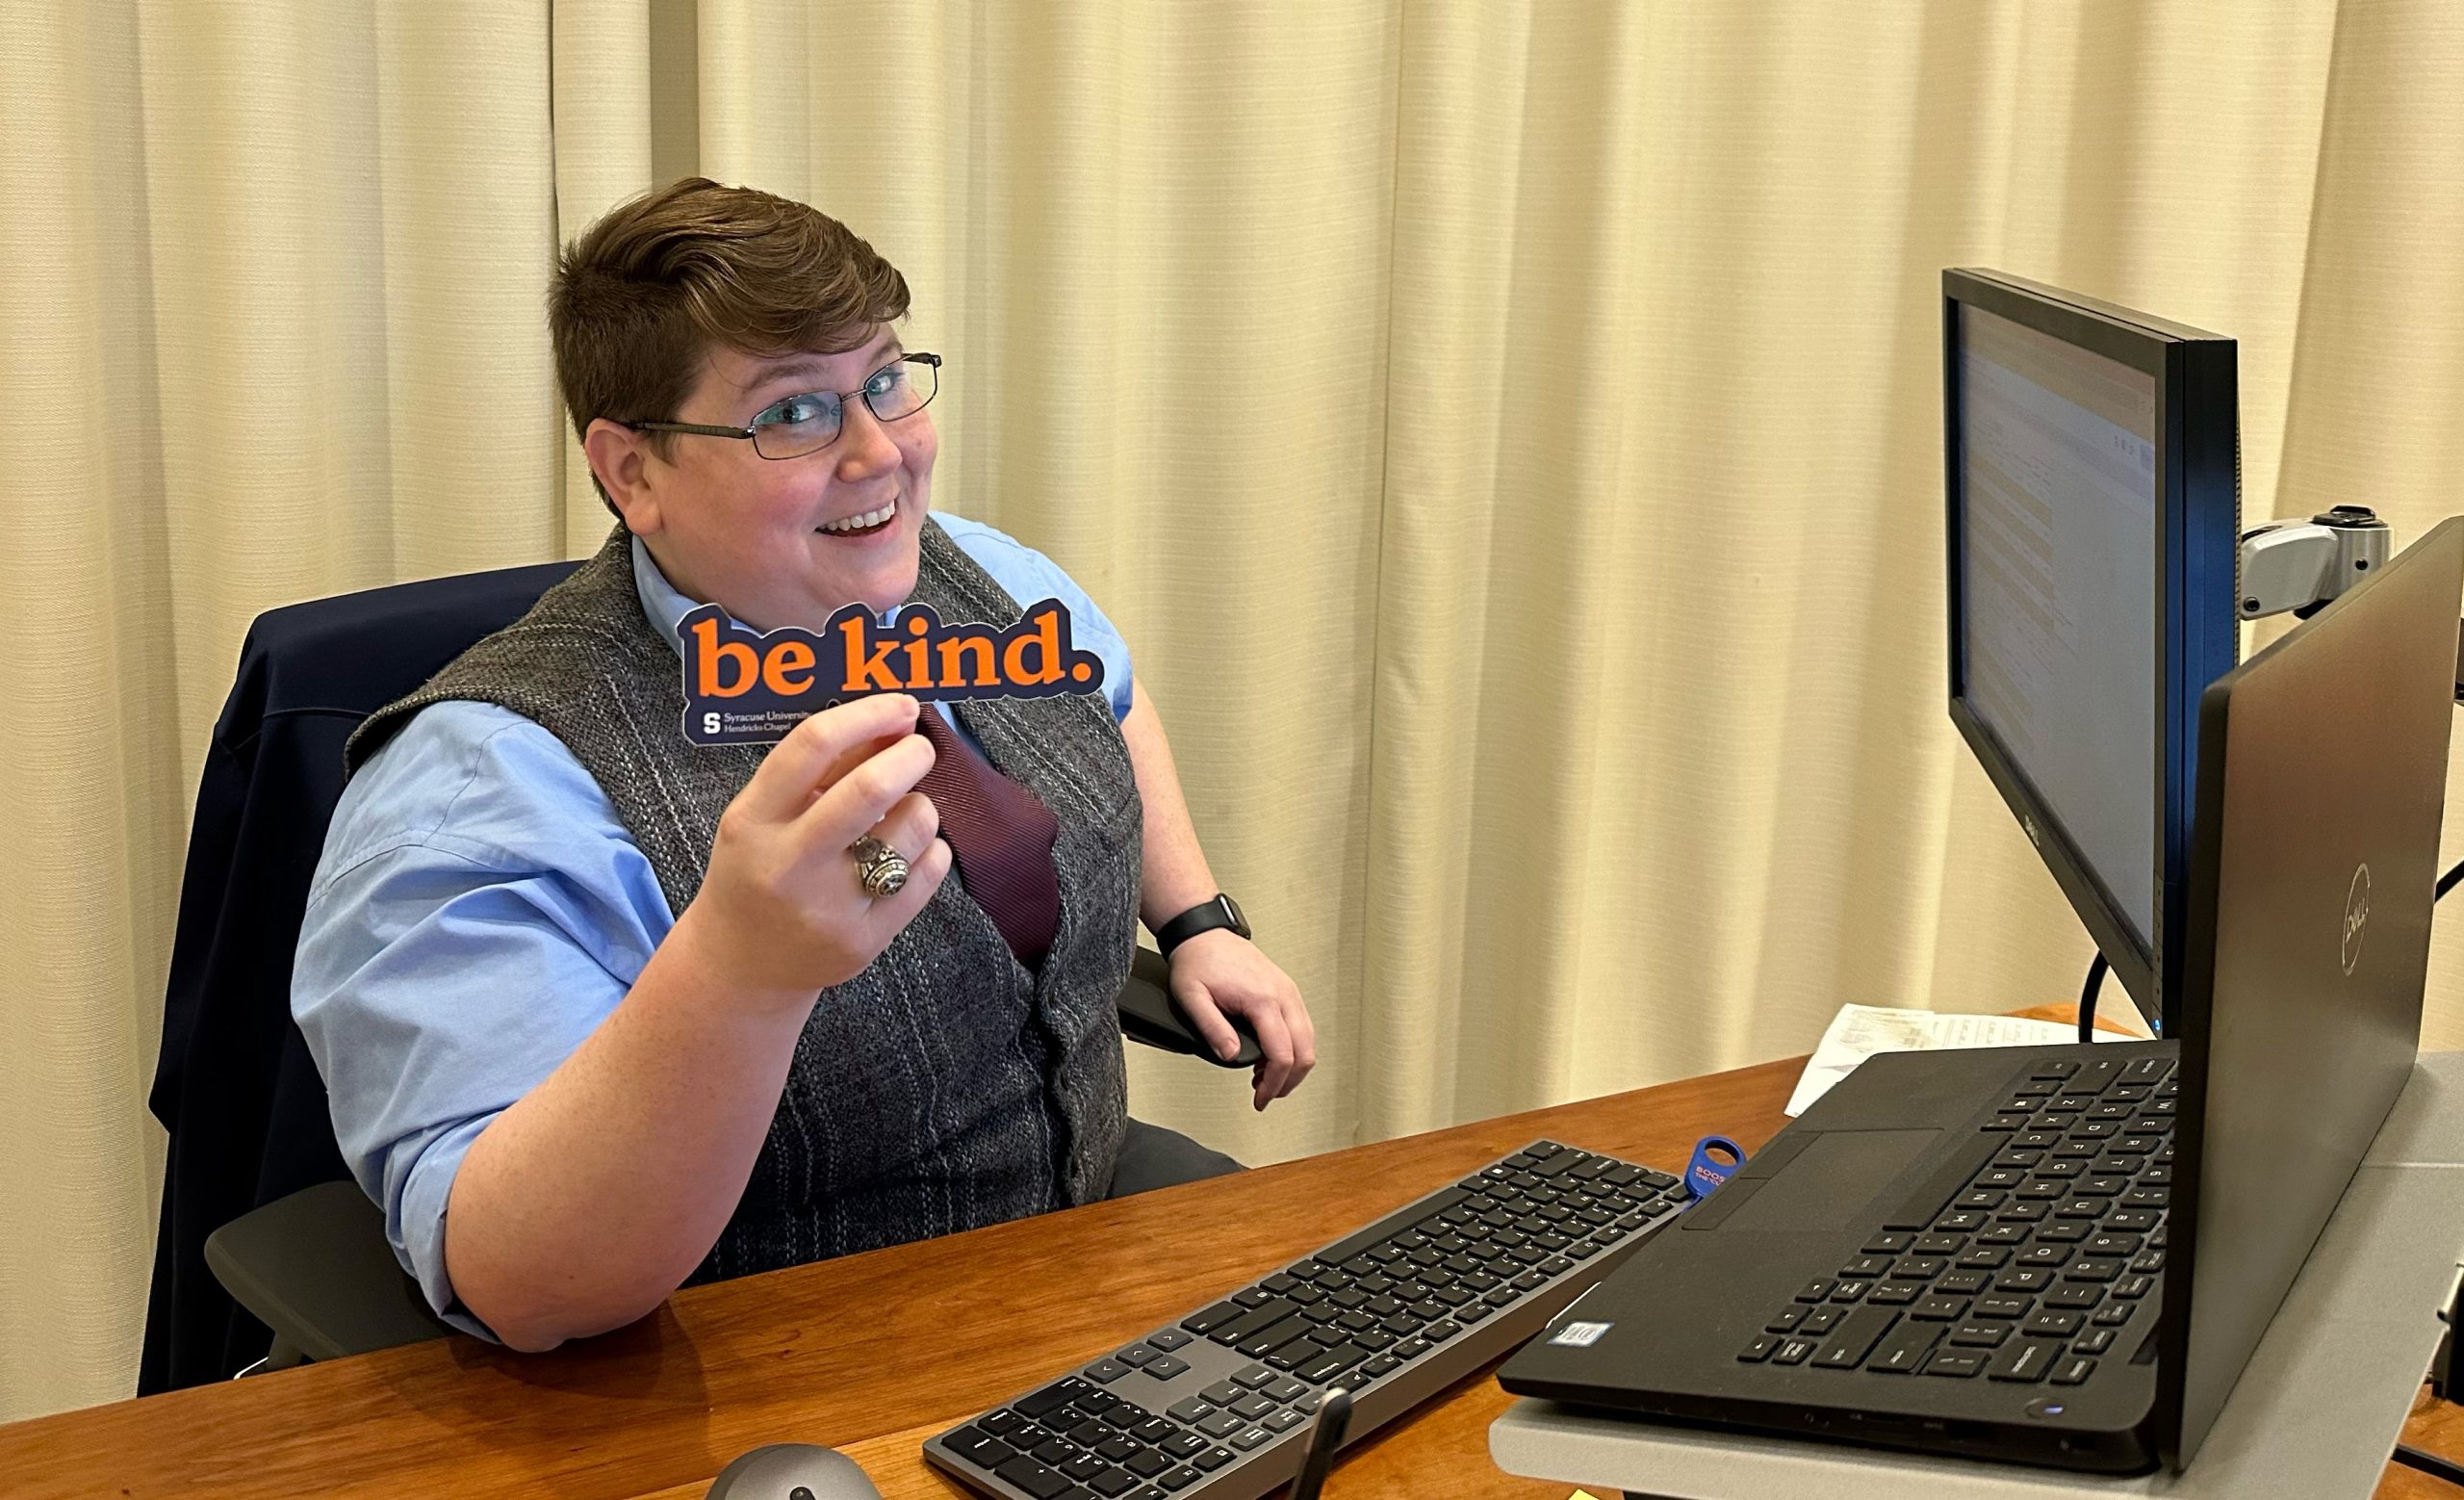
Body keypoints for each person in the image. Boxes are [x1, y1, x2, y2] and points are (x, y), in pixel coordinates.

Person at [292, 178, 1315, 1353]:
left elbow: (1112, 706)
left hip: (1069, 1239)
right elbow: (522, 1283)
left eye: (884, 382)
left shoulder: (978, 577)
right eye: (796, 414)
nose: (879, 455)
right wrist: (742, 972)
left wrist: (1195, 920)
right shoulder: (479, 790)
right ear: (632, 472)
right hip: (775, 1358)